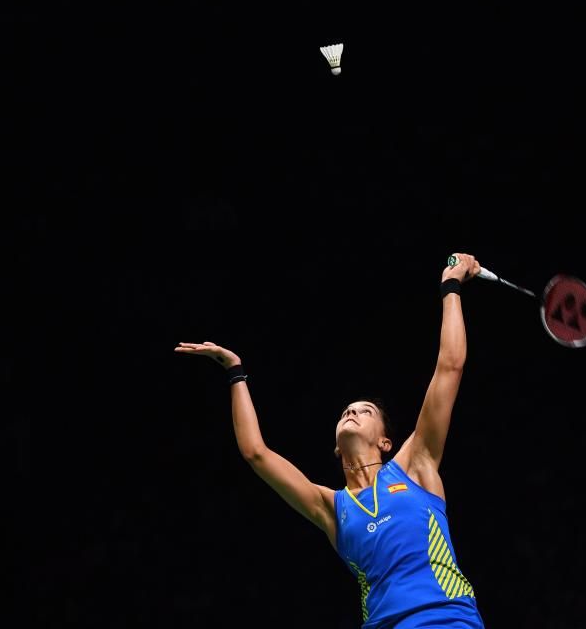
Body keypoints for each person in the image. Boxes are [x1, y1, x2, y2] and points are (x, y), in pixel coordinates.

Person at [174, 253, 485, 629]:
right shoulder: (331, 508)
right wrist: (235, 371)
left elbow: (449, 365)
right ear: (337, 447)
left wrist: (450, 286)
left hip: (446, 619)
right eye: (345, 412)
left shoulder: (417, 463)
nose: (351, 413)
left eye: (365, 410)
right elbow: (256, 453)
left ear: (386, 441)